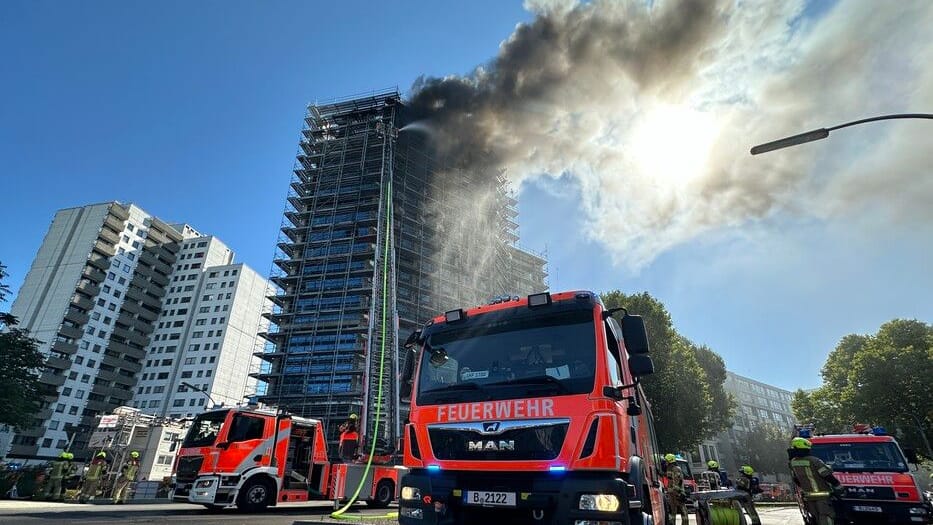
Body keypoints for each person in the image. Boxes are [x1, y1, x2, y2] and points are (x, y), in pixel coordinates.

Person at [789, 437, 844, 525]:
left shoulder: (793, 462)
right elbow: (827, 475)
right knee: (826, 516)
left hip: (808, 496)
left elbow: (796, 479)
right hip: (822, 495)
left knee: (815, 518)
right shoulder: (814, 461)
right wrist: (838, 486)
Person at [663, 453, 690, 525]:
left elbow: (678, 482)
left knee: (683, 510)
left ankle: (685, 524)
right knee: (673, 510)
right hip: (671, 493)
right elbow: (669, 479)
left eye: (666, 461)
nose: (665, 462)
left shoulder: (676, 469)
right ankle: (672, 523)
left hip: (678, 492)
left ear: (670, 461)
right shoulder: (669, 468)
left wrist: (679, 493)